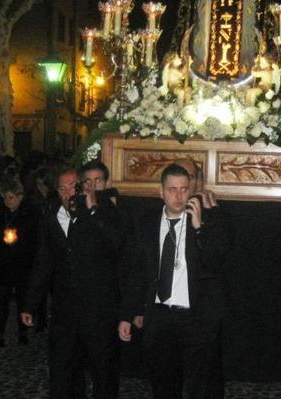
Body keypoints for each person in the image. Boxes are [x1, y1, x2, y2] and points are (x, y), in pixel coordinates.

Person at [119, 164, 229, 399]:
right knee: (163, 383)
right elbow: (137, 272)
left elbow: (217, 263)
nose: (179, 196)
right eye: (172, 190)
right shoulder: (146, 223)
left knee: (201, 385)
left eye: (183, 189)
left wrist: (199, 228)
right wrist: (128, 314)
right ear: (161, 192)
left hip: (196, 318)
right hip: (160, 316)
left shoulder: (207, 220)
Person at [21, 168, 124, 399]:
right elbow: (43, 262)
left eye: (72, 187)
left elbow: (118, 247)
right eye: (62, 188)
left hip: (98, 309)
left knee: (104, 373)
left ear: (83, 187)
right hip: (65, 311)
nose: (68, 193)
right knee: (63, 371)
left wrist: (93, 210)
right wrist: (30, 304)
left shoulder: (101, 211)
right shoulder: (51, 217)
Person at [0, 180, 38, 348]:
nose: (8, 201)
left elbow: (33, 239)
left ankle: (23, 332)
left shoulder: (29, 213)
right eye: (5, 198)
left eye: (11, 198)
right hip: (4, 263)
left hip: (23, 263)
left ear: (20, 197)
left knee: (23, 299)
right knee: (1, 301)